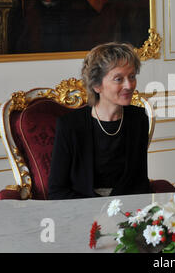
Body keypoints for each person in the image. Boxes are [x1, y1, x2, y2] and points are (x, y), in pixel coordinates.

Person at [48, 42, 151, 199]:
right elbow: (57, 191)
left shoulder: (138, 119)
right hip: (81, 210)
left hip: (126, 212)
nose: (129, 85)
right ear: (97, 85)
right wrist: (98, 211)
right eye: (118, 79)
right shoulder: (70, 125)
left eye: (132, 76)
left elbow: (140, 182)